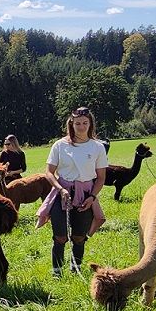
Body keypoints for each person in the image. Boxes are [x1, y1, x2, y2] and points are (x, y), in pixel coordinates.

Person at [37, 107, 108, 276]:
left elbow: (100, 178)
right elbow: (49, 172)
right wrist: (60, 189)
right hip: (62, 193)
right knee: (60, 237)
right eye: (78, 123)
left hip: (85, 195)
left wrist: (92, 197)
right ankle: (57, 272)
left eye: (85, 123)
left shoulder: (97, 147)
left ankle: (75, 269)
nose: (81, 127)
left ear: (90, 124)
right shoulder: (60, 145)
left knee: (79, 237)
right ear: (72, 124)